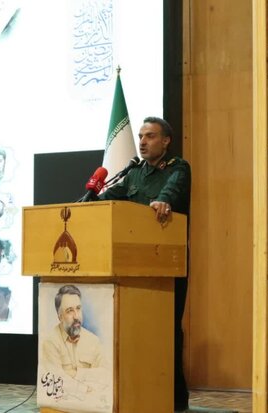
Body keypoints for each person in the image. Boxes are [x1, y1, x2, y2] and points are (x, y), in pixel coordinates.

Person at [97, 116, 191, 412]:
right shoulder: (134, 173)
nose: (142, 142)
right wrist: (86, 203)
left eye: (150, 136)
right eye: (140, 136)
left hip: (166, 263)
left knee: (166, 329)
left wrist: (162, 201)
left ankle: (175, 399)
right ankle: (140, 393)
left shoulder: (178, 168)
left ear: (166, 141)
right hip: (132, 265)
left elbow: (171, 192)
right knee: (136, 330)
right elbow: (110, 197)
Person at [40, 285, 106, 393]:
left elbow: (104, 375)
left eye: (78, 308)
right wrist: (85, 389)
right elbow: (56, 380)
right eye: (70, 311)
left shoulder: (94, 341)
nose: (76, 316)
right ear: (60, 317)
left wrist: (75, 374)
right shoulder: (50, 342)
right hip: (62, 400)